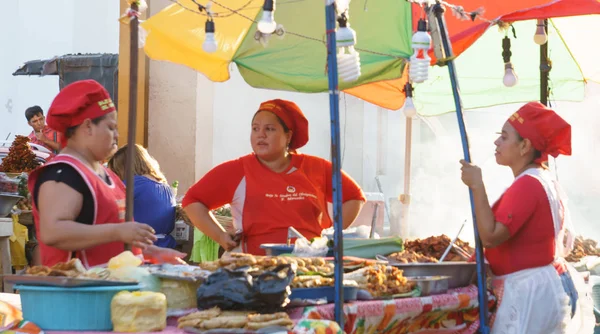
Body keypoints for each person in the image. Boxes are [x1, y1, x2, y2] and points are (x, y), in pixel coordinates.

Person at [460, 102, 591, 334]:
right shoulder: (540, 180)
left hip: (532, 293)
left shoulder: (528, 185)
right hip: (546, 286)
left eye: (504, 136)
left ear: (525, 146)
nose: (496, 141)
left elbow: (492, 236)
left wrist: (477, 186)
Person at [28, 80, 185, 268]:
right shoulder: (63, 174)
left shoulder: (107, 175)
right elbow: (53, 232)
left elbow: (114, 236)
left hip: (113, 287)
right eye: (111, 128)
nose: (117, 135)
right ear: (88, 127)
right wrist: (118, 231)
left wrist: (153, 253)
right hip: (79, 291)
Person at [183, 99, 366, 255]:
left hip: (312, 262)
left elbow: (353, 197)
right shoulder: (237, 170)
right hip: (255, 266)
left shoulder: (317, 168)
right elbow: (192, 201)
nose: (260, 134)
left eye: (269, 129)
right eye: (255, 129)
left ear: (288, 136)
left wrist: (332, 234)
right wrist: (220, 236)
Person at [108, 144, 177, 249]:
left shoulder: (135, 182)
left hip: (141, 246)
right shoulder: (166, 187)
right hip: (165, 244)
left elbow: (106, 201)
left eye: (117, 171)